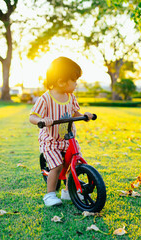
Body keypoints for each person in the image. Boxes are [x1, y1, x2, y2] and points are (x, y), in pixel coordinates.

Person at [29, 56, 93, 207]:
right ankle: (50, 195)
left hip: (68, 139)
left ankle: (67, 192)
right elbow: (32, 116)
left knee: (73, 166)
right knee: (57, 166)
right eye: (74, 80)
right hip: (51, 141)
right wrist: (41, 121)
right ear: (61, 81)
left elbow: (75, 113)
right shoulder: (46, 98)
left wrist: (84, 116)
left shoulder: (71, 97)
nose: (77, 84)